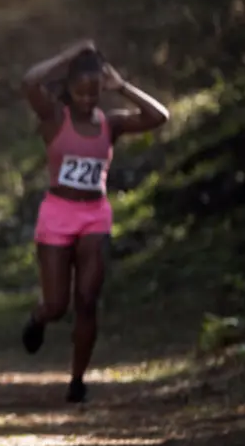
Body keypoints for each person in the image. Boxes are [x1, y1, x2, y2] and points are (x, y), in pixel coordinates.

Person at [19, 40, 170, 403]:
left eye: (95, 92)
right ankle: (39, 318)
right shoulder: (54, 117)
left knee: (87, 300)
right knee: (58, 305)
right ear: (70, 89)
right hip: (57, 214)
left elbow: (159, 117)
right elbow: (29, 81)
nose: (88, 99)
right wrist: (68, 54)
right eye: (81, 92)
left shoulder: (110, 124)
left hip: (95, 215)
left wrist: (123, 87)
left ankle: (77, 379)